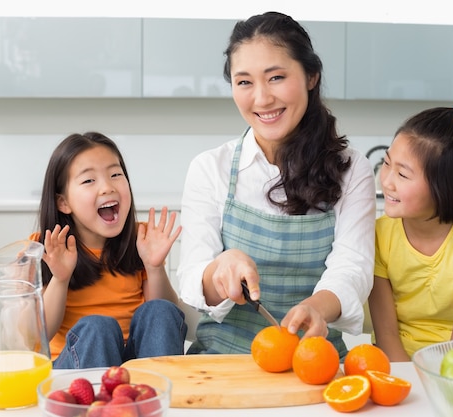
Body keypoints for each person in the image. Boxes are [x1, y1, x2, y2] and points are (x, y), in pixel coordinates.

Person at [177, 11, 376, 358]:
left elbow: (353, 266)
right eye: (244, 82)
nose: (262, 99)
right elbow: (193, 276)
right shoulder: (210, 168)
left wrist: (317, 307)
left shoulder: (351, 169)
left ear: (311, 76)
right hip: (223, 361)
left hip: (314, 360)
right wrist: (220, 270)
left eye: (276, 77)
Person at [33, 132, 187, 369]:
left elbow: (164, 324)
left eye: (116, 175)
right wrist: (60, 279)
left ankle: (156, 398)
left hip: (136, 371)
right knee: (97, 328)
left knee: (162, 310)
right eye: (88, 181)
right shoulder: (45, 248)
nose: (107, 187)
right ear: (63, 202)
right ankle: (100, 405)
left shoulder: (141, 239)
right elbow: (36, 335)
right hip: (72, 376)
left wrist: (154, 268)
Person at [367, 106, 453, 362]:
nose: (386, 181)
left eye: (403, 174)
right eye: (387, 163)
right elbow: (386, 335)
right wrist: (410, 382)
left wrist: (442, 383)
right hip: (394, 360)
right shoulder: (379, 233)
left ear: (445, 187)